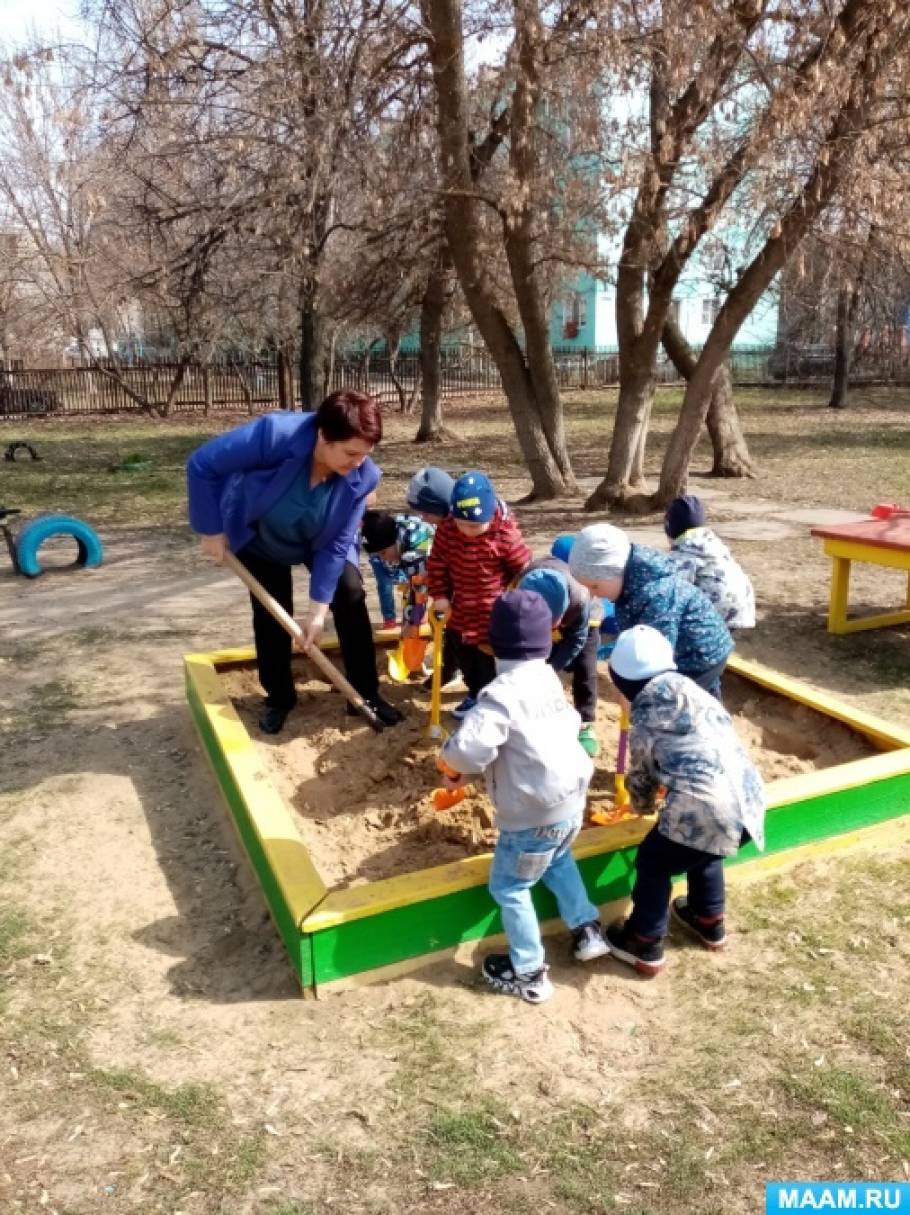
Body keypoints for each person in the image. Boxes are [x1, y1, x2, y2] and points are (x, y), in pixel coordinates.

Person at [187, 390, 404, 734]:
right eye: (350, 453)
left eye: (365, 454)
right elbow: (203, 464)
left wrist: (318, 612)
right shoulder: (275, 436)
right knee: (272, 611)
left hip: (320, 540)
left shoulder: (363, 477)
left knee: (349, 593)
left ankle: (365, 693)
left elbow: (336, 546)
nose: (358, 463)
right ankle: (279, 698)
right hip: (260, 537)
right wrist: (211, 529)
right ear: (323, 436)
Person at [438, 590, 608, 1003]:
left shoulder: (499, 695)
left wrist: (451, 763)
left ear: (492, 644)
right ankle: (586, 929)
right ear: (547, 641)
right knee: (559, 859)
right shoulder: (549, 679)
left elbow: (471, 749)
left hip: (532, 816)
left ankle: (529, 971)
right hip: (571, 802)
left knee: (511, 886)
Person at [603, 625, 766, 977]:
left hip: (706, 807)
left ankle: (644, 941)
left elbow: (644, 773)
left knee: (654, 861)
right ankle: (708, 917)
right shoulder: (694, 690)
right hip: (748, 800)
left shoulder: (646, 716)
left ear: (624, 683)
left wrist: (641, 808)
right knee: (703, 847)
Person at [568, 522, 733, 700]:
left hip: (699, 654)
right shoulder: (631, 580)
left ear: (615, 572)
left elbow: (653, 664)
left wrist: (634, 699)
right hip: (680, 646)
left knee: (682, 703)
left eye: (594, 586)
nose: (593, 595)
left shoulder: (658, 595)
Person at [428, 471, 532, 717]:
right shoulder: (447, 530)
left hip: (493, 612)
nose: (466, 531)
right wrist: (440, 595)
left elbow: (524, 571)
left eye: (474, 526)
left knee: (490, 660)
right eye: (461, 523)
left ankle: (494, 701)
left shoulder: (505, 535)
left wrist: (516, 605)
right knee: (464, 655)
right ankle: (475, 693)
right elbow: (437, 564)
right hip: (459, 609)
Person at [517, 560, 602, 757]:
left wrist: (550, 669)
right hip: (552, 615)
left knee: (585, 668)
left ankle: (585, 722)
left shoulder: (580, 599)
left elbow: (576, 641)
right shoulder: (521, 586)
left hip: (586, 622)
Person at [664, 495, 756, 630]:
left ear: (670, 528)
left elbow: (675, 591)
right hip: (742, 607)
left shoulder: (684, 553)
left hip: (717, 611)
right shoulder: (711, 543)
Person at [361, 511, 434, 648]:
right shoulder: (398, 527)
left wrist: (411, 624)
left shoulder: (413, 553)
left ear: (393, 541)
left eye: (383, 553)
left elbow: (419, 592)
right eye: (378, 555)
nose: (383, 559)